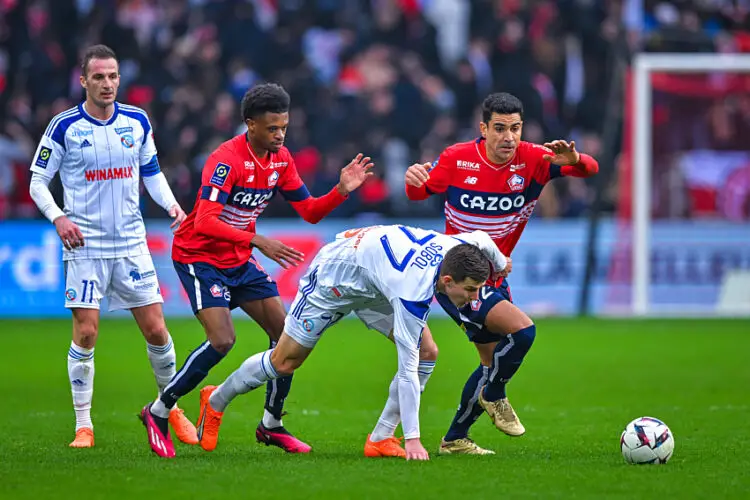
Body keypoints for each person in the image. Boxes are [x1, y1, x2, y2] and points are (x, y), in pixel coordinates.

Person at [139, 83, 374, 458]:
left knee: (287, 335)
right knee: (222, 341)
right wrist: (258, 241)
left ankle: (271, 424)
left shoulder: (281, 159)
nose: (280, 135)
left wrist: (341, 190)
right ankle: (158, 410)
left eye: (284, 127)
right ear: (250, 124)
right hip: (200, 257)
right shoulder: (225, 159)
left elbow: (310, 212)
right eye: (272, 128)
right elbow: (204, 222)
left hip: (238, 258)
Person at [192, 224, 509, 461]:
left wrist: (500, 260)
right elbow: (407, 368)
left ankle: (381, 438)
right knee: (285, 361)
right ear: (448, 281)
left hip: (375, 279)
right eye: (470, 290)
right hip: (336, 279)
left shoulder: (460, 249)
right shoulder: (412, 291)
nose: (473, 297)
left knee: (428, 351)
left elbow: (481, 238)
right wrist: (414, 439)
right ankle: (216, 400)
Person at [403, 92, 599, 454]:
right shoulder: (457, 158)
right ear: (483, 129)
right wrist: (413, 179)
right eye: (499, 129)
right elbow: (418, 193)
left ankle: (455, 439)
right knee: (523, 332)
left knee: (490, 362)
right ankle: (494, 396)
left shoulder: (536, 158)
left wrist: (577, 159)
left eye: (515, 128)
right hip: (456, 278)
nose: (508, 137)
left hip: (493, 275)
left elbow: (591, 170)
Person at [27, 44, 196, 449]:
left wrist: (172, 204)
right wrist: (59, 218)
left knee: (157, 329)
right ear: (83, 80)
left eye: (113, 76)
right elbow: (37, 182)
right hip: (85, 245)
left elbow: (152, 173)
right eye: (99, 77)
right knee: (86, 333)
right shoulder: (64, 127)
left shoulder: (137, 120)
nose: (107, 84)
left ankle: (170, 407)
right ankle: (83, 425)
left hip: (131, 243)